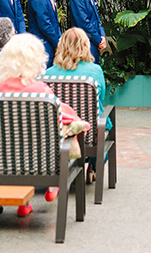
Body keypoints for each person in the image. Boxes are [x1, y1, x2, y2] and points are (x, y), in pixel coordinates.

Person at [0, 33, 89, 217]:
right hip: (40, 165)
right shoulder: (41, 92)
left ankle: (25, 203)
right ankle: (51, 186)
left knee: (15, 138)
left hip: (2, 163)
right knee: (38, 137)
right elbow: (67, 115)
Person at [46, 27, 110, 184]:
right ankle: (93, 167)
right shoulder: (95, 71)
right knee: (104, 120)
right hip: (90, 133)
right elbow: (100, 99)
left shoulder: (47, 74)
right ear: (85, 46)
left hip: (59, 132)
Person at [27, 0, 62, 66]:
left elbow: (54, 22)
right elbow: (44, 23)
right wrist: (57, 43)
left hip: (50, 45)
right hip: (43, 46)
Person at [70, 0, 106, 64]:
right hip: (85, 45)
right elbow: (83, 23)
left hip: (94, 43)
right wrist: (98, 40)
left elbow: (96, 17)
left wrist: (102, 35)